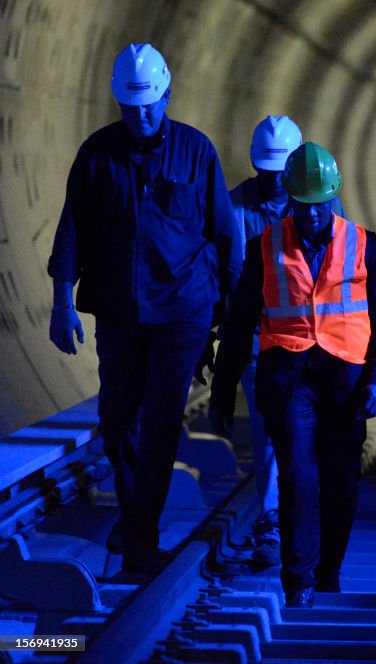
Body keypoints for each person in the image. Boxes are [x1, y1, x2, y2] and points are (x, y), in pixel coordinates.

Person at [46, 43, 241, 574]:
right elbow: (72, 233)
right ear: (118, 103)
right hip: (119, 310)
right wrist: (62, 304)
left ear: (167, 96)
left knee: (158, 421)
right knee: (117, 418)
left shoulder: (196, 151)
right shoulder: (97, 154)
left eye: (150, 105)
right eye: (131, 108)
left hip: (183, 310)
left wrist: (230, 314)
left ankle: (141, 536)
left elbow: (225, 236)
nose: (141, 115)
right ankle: (135, 521)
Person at [209, 142, 376, 608]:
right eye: (302, 206)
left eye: (319, 206)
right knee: (297, 475)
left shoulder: (362, 243)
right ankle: (298, 582)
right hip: (290, 379)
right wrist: (221, 396)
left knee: (341, 480)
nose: (312, 215)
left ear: (333, 197)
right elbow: (238, 326)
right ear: (289, 199)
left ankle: (329, 572)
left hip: (346, 382)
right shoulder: (266, 247)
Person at [225, 115, 303, 567]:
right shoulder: (234, 207)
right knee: (270, 428)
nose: (273, 180)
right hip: (258, 339)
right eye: (266, 171)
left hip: (308, 338)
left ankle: (296, 514)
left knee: (302, 429)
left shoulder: (315, 203)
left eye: (281, 171)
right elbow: (221, 271)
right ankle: (273, 522)